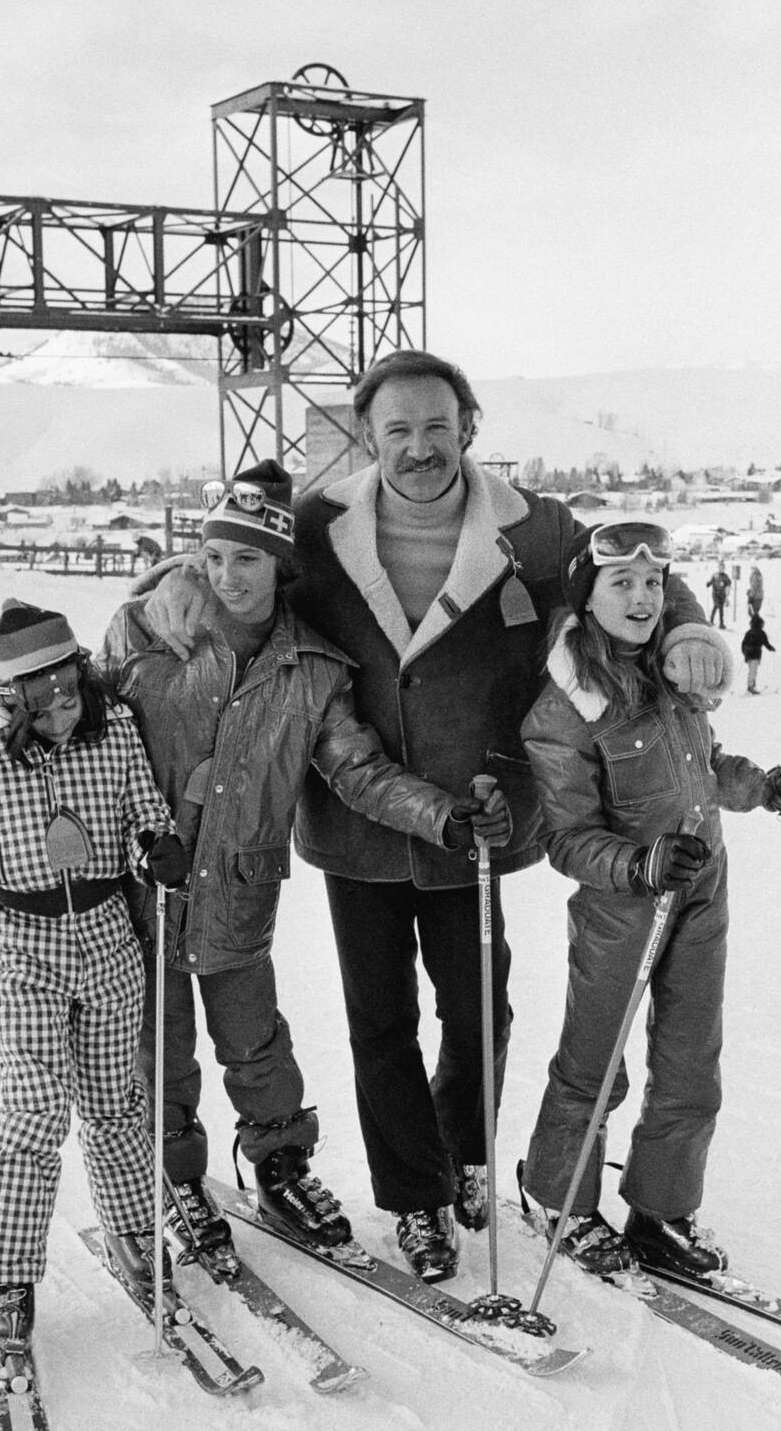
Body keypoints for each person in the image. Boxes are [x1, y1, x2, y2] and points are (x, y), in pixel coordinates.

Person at [139, 349, 730, 1281]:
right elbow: (230, 549)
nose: (420, 447)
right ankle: (415, 1196)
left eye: (437, 427)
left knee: (478, 1010)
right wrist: (176, 578)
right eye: (399, 429)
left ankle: (464, 1157)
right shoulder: (318, 522)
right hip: (354, 818)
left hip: (479, 816)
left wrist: (689, 623)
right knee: (380, 1022)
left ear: (469, 429)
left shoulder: (536, 529)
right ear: (368, 436)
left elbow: (631, 565)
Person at [97, 463, 509, 1272]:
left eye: (247, 560)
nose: (227, 577)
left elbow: (359, 771)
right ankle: (175, 1173)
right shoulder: (149, 632)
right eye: (214, 558)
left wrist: (442, 815)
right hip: (144, 886)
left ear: (281, 565)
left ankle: (279, 1162)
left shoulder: (313, 669)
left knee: (256, 1041)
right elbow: (69, 710)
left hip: (238, 890)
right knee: (160, 1044)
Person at [518, 520, 781, 1276]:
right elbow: (566, 840)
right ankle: (558, 1200)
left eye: (653, 582)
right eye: (621, 582)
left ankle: (661, 1209)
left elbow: (708, 767)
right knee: (594, 1067)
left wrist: (772, 788)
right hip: (621, 911)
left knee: (692, 1063)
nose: (642, 598)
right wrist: (639, 863)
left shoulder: (673, 676)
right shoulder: (563, 710)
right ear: (587, 596)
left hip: (699, 894)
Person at [0, 600, 189, 1359]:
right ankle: (2, 1274)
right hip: (24, 948)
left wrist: (154, 845)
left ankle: (133, 1230)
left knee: (116, 1103)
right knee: (35, 1111)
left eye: (70, 698)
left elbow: (142, 808)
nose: (62, 715)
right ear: (11, 699)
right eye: (44, 705)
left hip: (107, 938)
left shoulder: (113, 730)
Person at [740, 609, 775, 693]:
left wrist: (744, 653)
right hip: (755, 654)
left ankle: (752, 685)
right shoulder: (761, 633)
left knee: (751, 670)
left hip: (748, 654)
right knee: (753, 671)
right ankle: (750, 687)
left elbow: (743, 643)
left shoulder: (749, 632)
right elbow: (766, 643)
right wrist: (771, 648)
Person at [707, 561, 731, 628]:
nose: (721, 569)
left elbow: (728, 584)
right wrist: (708, 584)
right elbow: (712, 581)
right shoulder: (715, 575)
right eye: (720, 567)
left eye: (722, 567)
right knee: (717, 605)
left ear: (724, 568)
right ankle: (712, 621)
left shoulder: (725, 576)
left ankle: (720, 623)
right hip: (715, 594)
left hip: (722, 595)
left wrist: (728, 589)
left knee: (720, 608)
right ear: (718, 568)